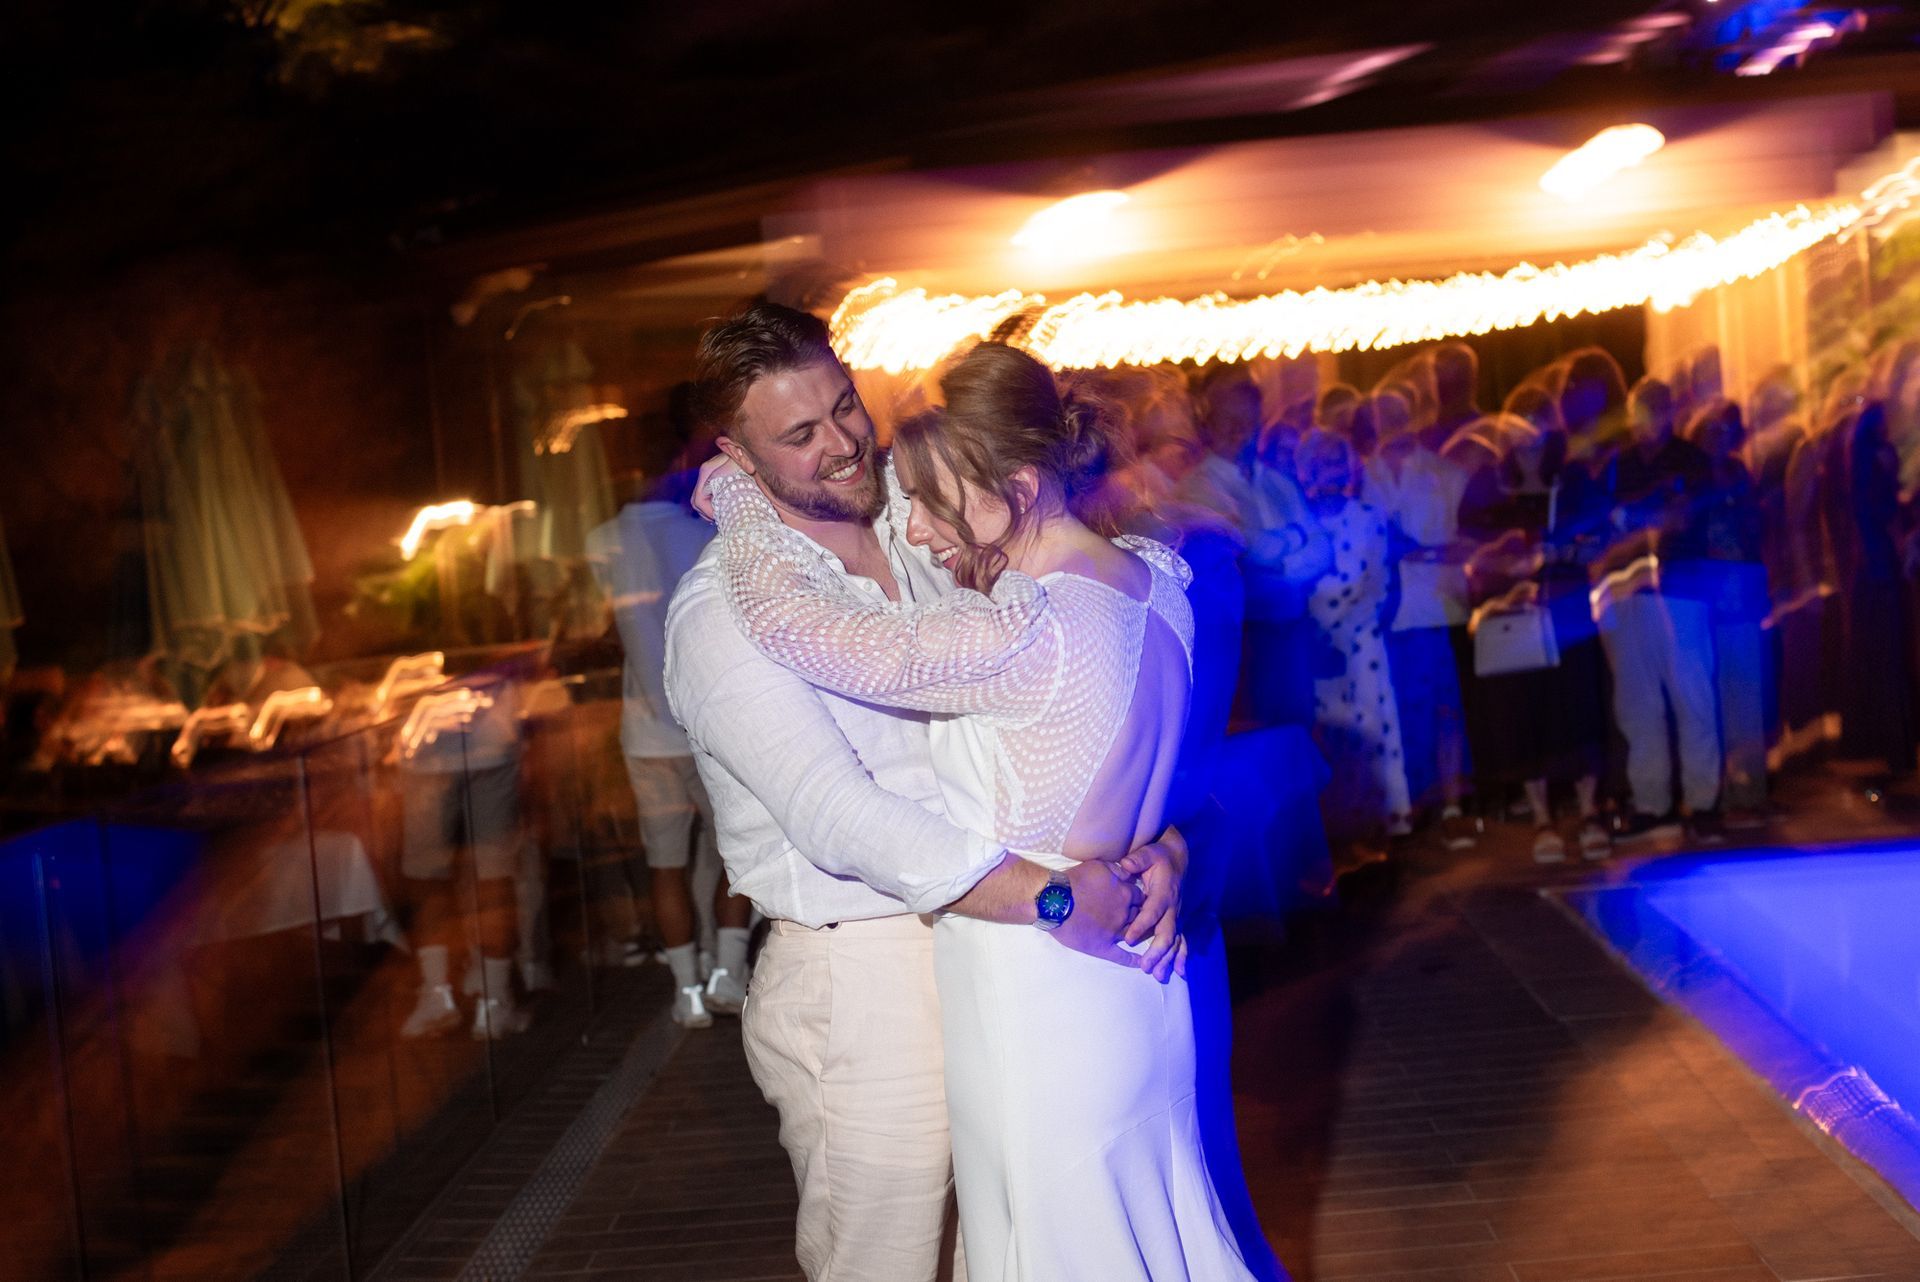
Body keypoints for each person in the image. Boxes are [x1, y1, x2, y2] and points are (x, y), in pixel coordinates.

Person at [700, 335, 1261, 1282]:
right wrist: (1166, 843)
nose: (913, 528)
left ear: (1023, 482)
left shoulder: (1021, 627)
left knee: (1056, 1250)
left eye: (928, 499)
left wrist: (744, 507)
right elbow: (1172, 766)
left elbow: (811, 632)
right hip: (1148, 986)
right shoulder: (1160, 579)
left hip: (1040, 996)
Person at [585, 431, 753, 1028]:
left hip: (645, 733)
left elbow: (602, 627)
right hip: (710, 723)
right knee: (737, 852)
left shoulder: (602, 541)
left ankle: (686, 991)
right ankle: (728, 973)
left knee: (666, 866)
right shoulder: (705, 529)